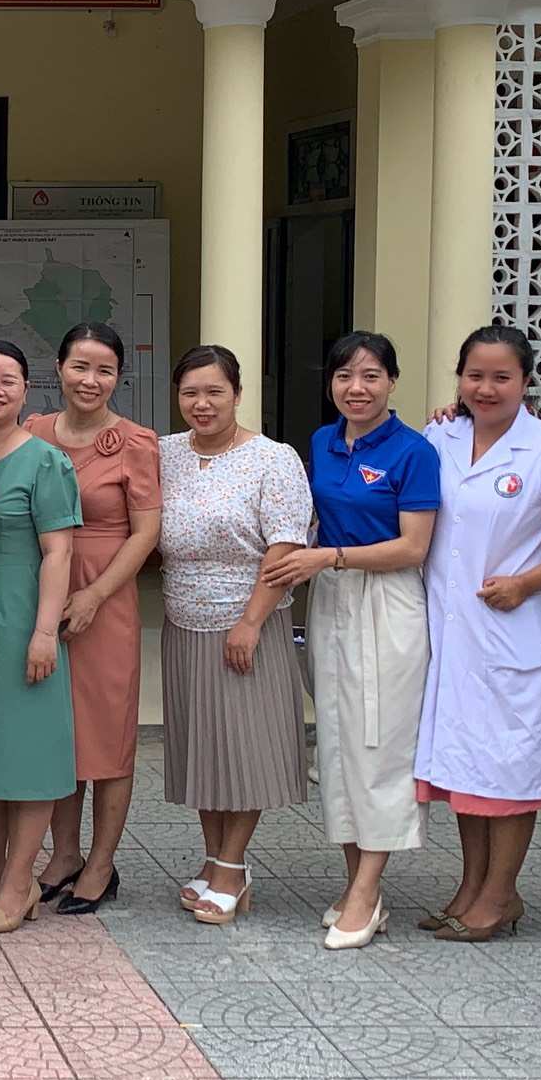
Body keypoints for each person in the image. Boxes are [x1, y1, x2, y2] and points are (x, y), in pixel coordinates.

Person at [416, 325, 541, 942]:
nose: (486, 388)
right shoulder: (440, 437)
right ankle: (470, 887)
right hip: (451, 635)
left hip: (512, 631)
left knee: (509, 770)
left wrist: (526, 582)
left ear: (526, 381)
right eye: (474, 375)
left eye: (501, 377)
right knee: (467, 768)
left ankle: (500, 894)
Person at [262, 331, 438, 950]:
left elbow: (414, 547)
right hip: (332, 596)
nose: (356, 389)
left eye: (370, 376)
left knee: (380, 741)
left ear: (392, 382)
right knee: (337, 742)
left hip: (387, 601)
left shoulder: (414, 451)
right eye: (344, 376)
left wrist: (329, 557)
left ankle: (367, 888)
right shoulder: (322, 441)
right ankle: (357, 882)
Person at [156, 345, 312, 927]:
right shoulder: (165, 452)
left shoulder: (273, 459)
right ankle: (214, 858)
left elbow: (286, 545)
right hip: (182, 620)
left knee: (243, 747)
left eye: (214, 392)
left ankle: (232, 866)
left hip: (247, 622)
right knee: (202, 746)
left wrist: (250, 621)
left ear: (238, 395)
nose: (202, 404)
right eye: (190, 393)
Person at [24, 322, 161, 916]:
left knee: (107, 733)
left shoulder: (136, 442)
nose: (91, 379)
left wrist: (95, 595)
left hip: (105, 597)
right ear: (58, 368)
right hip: (40, 591)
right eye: (80, 366)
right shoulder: (32, 431)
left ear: (117, 378)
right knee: (57, 729)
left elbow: (146, 532)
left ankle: (101, 863)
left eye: (104, 370)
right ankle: (64, 855)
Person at [0, 341, 83, 935]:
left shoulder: (45, 461)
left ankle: (18, 880)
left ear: (27, 391)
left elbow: (59, 552)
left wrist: (44, 631)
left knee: (27, 753)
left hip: (21, 615)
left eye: (8, 380)